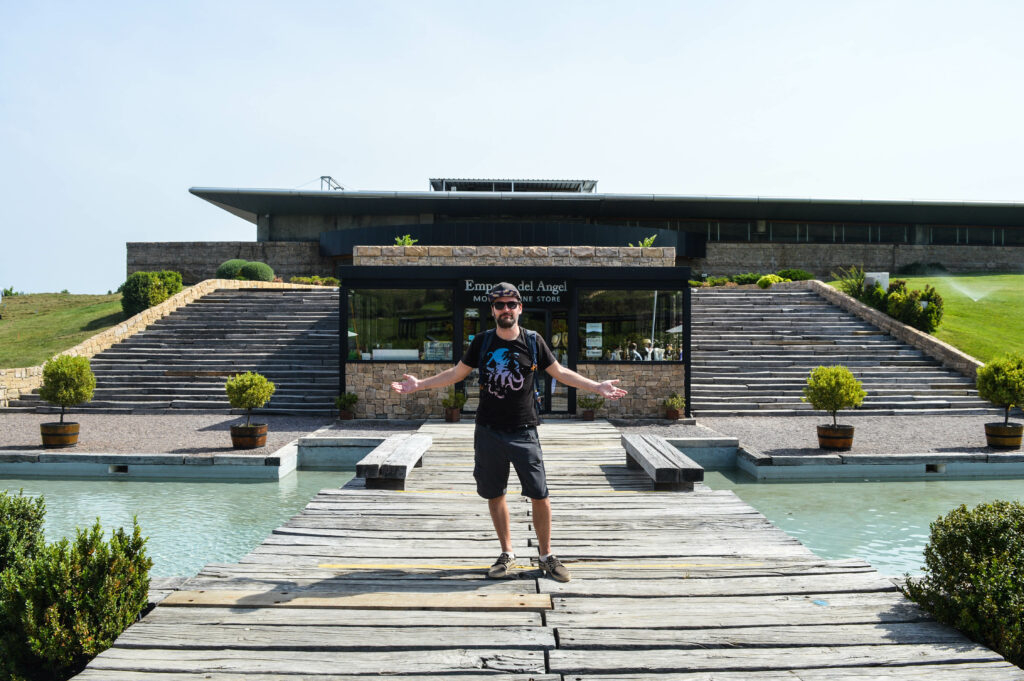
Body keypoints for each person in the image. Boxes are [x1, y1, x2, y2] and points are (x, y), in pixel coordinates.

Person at [391, 282, 627, 582]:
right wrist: (419, 384)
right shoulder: (483, 342)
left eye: (511, 304)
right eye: (500, 305)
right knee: (495, 493)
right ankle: (508, 553)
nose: (506, 309)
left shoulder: (533, 341)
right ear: (492, 310)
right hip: (488, 431)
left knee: (540, 494)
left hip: (524, 430)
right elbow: (456, 373)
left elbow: (561, 373)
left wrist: (597, 386)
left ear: (520, 308)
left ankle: (546, 556)